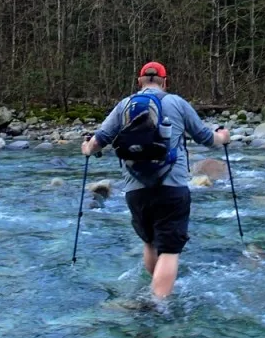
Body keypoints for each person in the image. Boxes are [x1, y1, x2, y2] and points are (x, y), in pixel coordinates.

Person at [81, 61, 230, 298]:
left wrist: (86, 148)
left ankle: (156, 289)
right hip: (172, 187)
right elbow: (206, 138)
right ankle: (158, 306)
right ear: (165, 81)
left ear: (139, 81)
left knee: (150, 242)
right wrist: (223, 136)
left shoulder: (124, 105)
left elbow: (97, 142)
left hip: (135, 189)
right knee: (170, 250)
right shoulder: (177, 103)